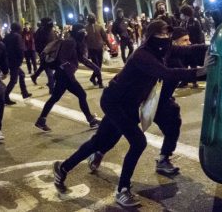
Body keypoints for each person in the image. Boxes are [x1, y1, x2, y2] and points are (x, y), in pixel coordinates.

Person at [52, 20, 206, 207]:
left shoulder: (162, 50)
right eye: (161, 35)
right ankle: (122, 190)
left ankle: (62, 168)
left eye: (167, 35)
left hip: (130, 105)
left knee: (98, 142)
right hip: (114, 102)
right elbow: (167, 73)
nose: (165, 39)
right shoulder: (143, 55)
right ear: (151, 37)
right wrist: (200, 71)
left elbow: (187, 50)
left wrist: (212, 46)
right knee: (138, 142)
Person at [87, 27, 208, 177]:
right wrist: (200, 72)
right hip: (136, 100)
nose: (188, 43)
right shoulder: (157, 55)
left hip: (161, 101)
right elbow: (170, 73)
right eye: (184, 40)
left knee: (173, 123)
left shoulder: (178, 53)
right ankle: (99, 151)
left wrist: (213, 49)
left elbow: (194, 51)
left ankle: (164, 158)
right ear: (174, 42)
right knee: (115, 131)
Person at [34, 24, 101, 132]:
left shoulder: (75, 42)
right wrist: (71, 76)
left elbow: (81, 58)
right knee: (81, 94)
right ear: (77, 32)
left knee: (55, 98)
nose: (84, 34)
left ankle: (41, 120)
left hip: (64, 75)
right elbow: (63, 59)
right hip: (64, 75)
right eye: (82, 32)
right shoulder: (70, 42)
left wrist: (95, 68)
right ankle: (91, 121)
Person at [3, 23, 32, 106]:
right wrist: (20, 59)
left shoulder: (7, 36)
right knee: (13, 80)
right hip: (15, 61)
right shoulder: (17, 36)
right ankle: (5, 96)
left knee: (22, 74)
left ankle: (24, 93)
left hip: (9, 60)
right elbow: (20, 49)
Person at [31, 18, 58, 93]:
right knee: (49, 72)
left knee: (44, 67)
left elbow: (55, 40)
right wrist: (41, 53)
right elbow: (37, 44)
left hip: (52, 54)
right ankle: (52, 89)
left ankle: (34, 76)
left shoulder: (51, 30)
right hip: (44, 54)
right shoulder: (39, 32)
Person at [85, 14, 109, 88]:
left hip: (99, 48)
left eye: (93, 18)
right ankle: (100, 82)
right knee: (96, 65)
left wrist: (108, 45)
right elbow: (84, 39)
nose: (92, 19)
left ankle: (92, 78)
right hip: (91, 49)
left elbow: (104, 37)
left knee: (99, 65)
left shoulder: (99, 27)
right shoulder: (85, 28)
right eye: (91, 18)